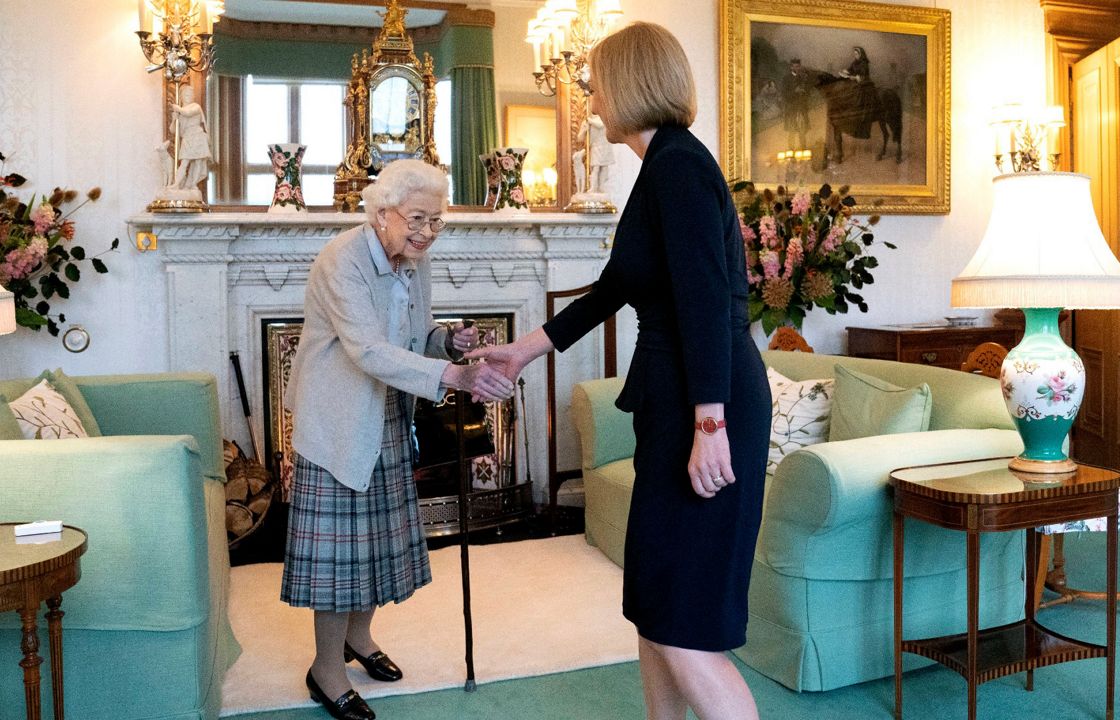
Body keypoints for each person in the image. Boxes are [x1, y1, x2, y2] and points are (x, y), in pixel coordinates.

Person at [468, 22, 770, 720]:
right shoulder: (661, 166)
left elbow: (703, 305)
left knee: (687, 623)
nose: (590, 94)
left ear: (631, 82)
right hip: (679, 406)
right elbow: (614, 287)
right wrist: (524, 349)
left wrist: (710, 423)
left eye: (597, 80)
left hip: (707, 405)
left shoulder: (680, 168)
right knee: (658, 605)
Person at [281, 159, 515, 720]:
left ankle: (359, 641)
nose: (427, 232)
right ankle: (326, 671)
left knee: (375, 547)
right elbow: (366, 349)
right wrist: (453, 377)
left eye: (437, 221)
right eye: (417, 219)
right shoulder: (342, 259)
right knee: (339, 558)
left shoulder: (414, 262)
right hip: (338, 420)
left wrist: (445, 341)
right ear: (381, 213)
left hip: (387, 414)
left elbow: (411, 336)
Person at [169, 84, 213, 190]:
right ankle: (176, 184)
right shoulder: (180, 111)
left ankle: (193, 184)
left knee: (198, 161)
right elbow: (173, 131)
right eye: (186, 95)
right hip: (187, 138)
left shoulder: (195, 107)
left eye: (190, 94)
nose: (189, 96)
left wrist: (178, 108)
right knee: (184, 162)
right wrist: (174, 119)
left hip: (197, 136)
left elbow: (188, 113)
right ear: (182, 96)